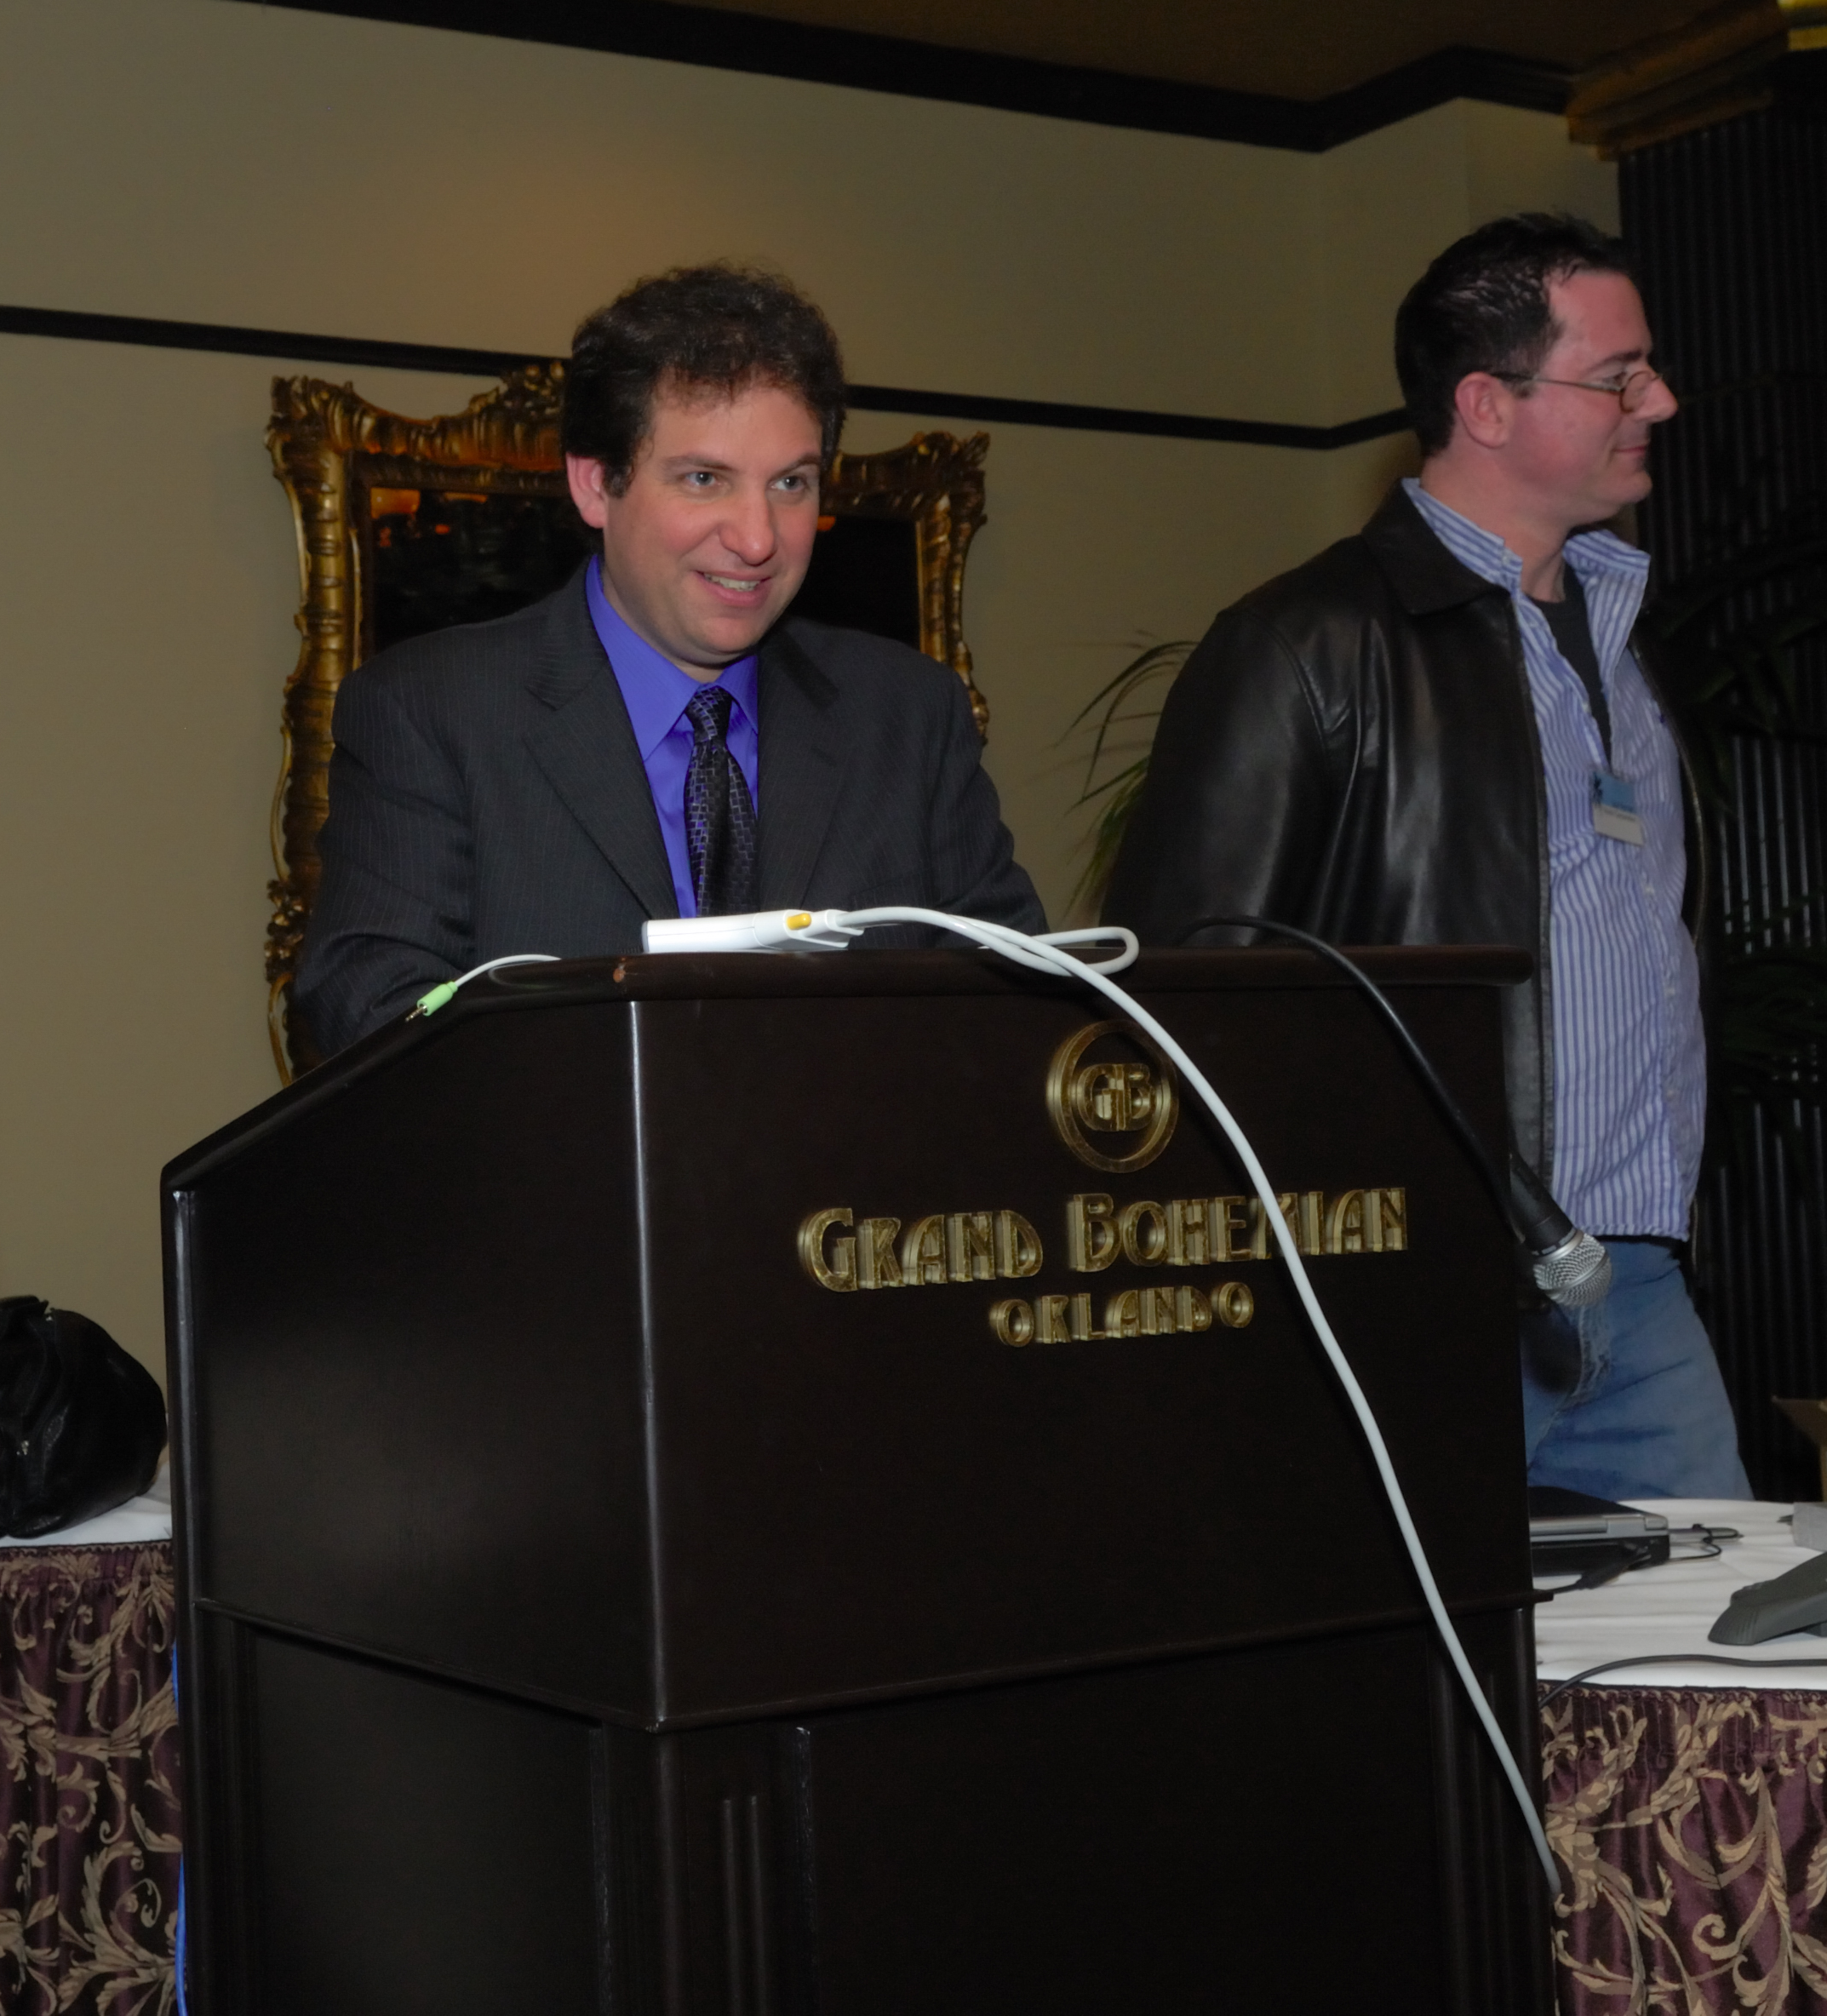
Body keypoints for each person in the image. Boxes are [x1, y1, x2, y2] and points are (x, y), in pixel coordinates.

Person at [1105, 213, 1745, 1501]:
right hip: (1411, 1295)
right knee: (1418, 1642)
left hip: (1637, 1284)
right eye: (1619, 376)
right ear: (1487, 405)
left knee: (1718, 1632)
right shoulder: (1305, 644)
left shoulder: (1633, 639)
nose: (1660, 401)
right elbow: (1184, 1005)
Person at [292, 263, 1042, 1057]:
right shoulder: (433, 711)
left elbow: (1023, 1019)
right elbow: (375, 1019)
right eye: (705, 479)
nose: (757, 538)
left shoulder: (908, 715)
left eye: (791, 483)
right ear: (594, 484)